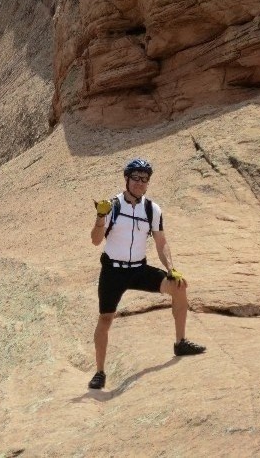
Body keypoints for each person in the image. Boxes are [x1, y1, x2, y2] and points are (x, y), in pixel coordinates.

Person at [88, 158, 205, 390]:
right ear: (127, 179)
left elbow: (161, 242)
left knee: (179, 286)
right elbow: (95, 240)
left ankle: (180, 342)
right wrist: (101, 218)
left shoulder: (152, 209)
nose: (140, 183)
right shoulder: (112, 206)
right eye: (136, 178)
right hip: (113, 271)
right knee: (105, 319)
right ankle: (99, 372)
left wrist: (171, 268)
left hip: (138, 269)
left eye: (145, 179)